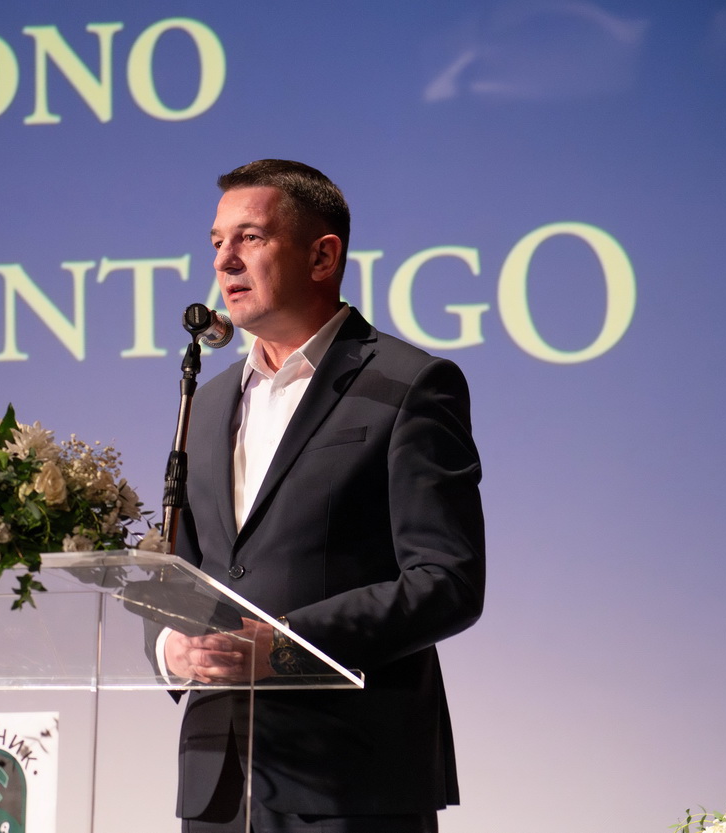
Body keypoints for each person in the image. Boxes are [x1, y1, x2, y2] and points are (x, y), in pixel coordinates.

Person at [162, 159, 485, 832]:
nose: (224, 260)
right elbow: (180, 572)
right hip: (218, 784)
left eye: (249, 237)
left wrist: (285, 646)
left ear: (322, 256)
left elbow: (446, 581)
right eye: (216, 242)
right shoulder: (207, 399)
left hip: (350, 780)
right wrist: (171, 647)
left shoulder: (409, 384)